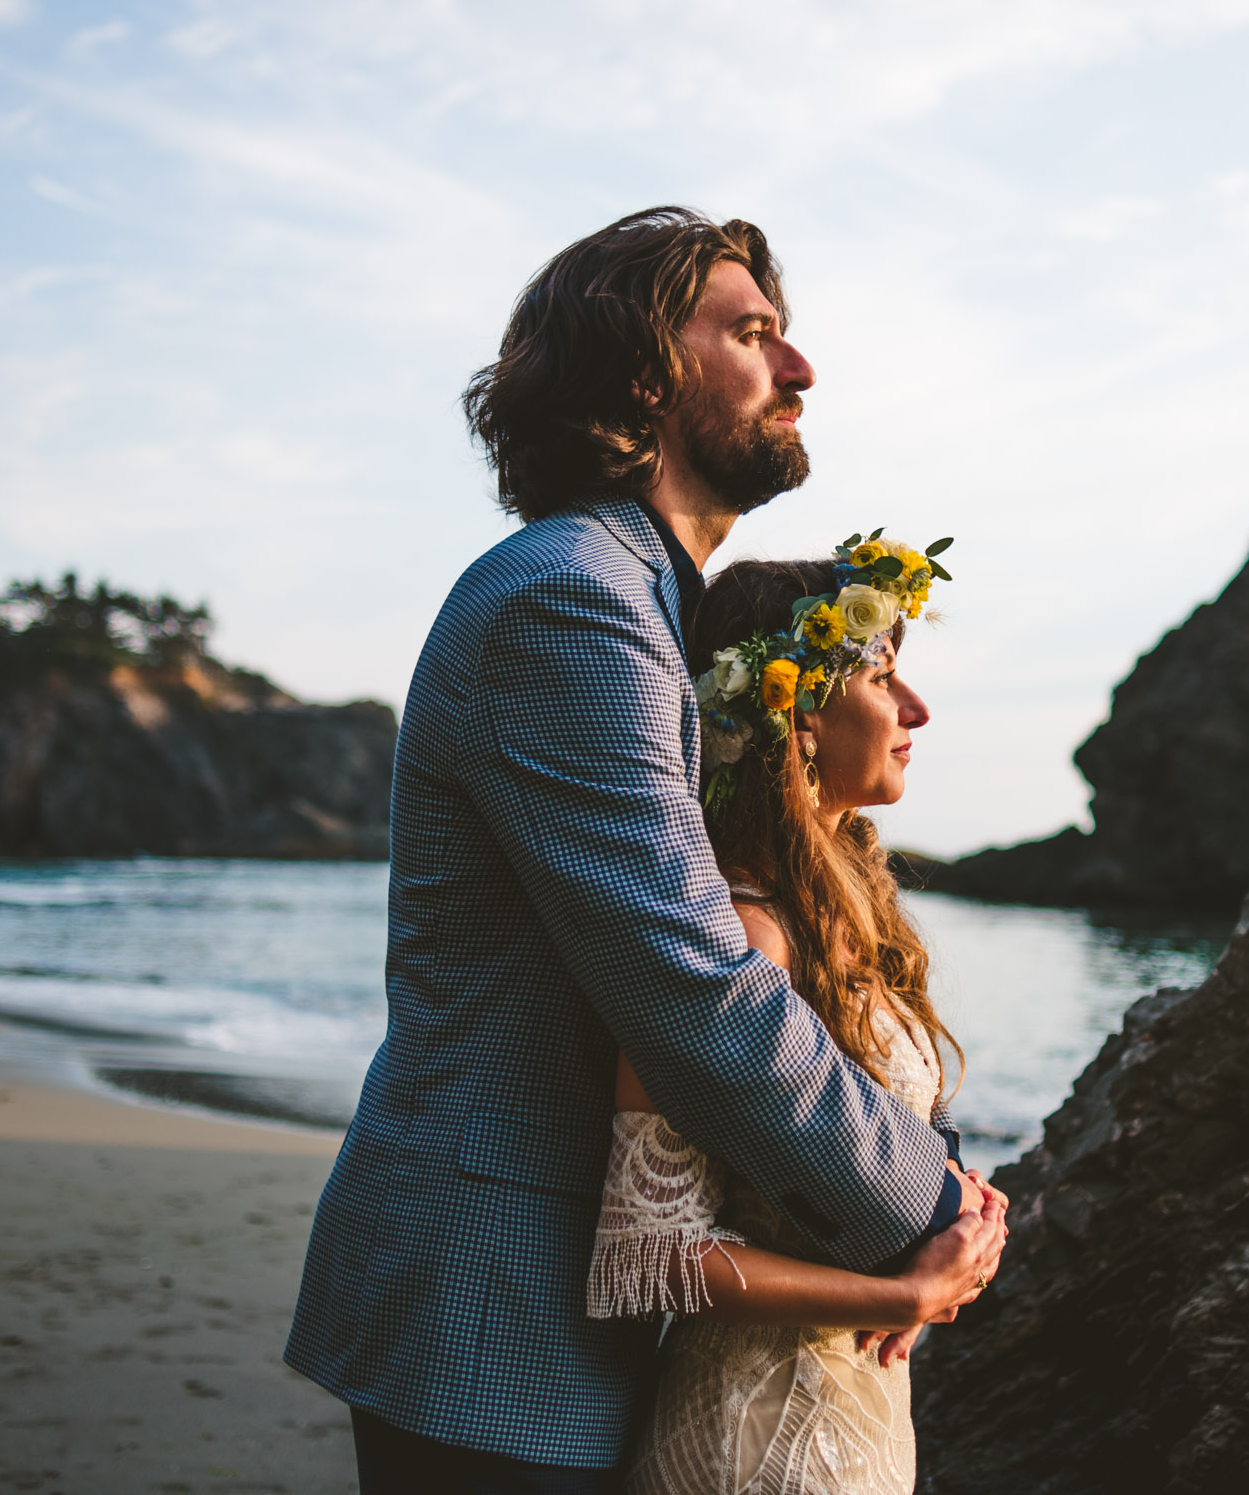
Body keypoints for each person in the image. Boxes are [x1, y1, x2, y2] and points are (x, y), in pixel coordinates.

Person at [283, 208, 1004, 1492]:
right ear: (640, 377)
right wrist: (931, 1199)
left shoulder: (646, 610)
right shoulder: (575, 598)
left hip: (568, 1295)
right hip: (491, 1293)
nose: (801, 370)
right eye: (753, 333)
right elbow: (691, 980)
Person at [591, 545, 998, 1494]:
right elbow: (648, 1255)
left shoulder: (848, 915)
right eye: (883, 675)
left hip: (860, 1420)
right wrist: (902, 1292)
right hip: (759, 1440)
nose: (917, 710)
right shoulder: (739, 940)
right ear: (799, 713)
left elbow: (881, 1136)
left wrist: (970, 1207)